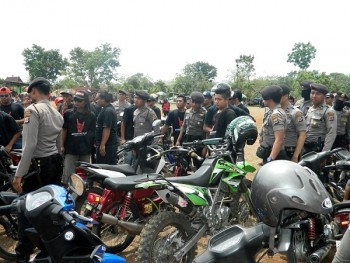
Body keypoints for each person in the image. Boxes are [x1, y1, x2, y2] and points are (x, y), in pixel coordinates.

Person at [12, 77, 64, 263]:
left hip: (38, 168)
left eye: (30, 92)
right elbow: (58, 145)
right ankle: (49, 250)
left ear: (34, 91)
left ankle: (23, 255)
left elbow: (29, 146)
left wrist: (19, 175)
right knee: (48, 210)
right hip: (54, 164)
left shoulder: (32, 110)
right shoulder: (57, 113)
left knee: (27, 212)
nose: (29, 96)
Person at [61, 91, 96, 184]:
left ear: (85, 102)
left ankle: (83, 195)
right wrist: (62, 145)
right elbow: (64, 130)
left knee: (86, 175)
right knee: (68, 175)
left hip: (85, 150)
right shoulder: (68, 114)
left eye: (79, 101)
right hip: (71, 149)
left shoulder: (91, 115)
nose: (76, 102)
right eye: (75, 100)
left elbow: (93, 132)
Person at [257, 85, 288, 164]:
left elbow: (279, 139)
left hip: (275, 156)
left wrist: (270, 159)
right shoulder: (270, 112)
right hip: (269, 152)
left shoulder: (276, 115)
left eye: (264, 98)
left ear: (269, 99)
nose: (262, 100)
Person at [304, 83, 337, 153]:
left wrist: (324, 153)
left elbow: (331, 133)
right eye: (312, 93)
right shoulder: (310, 109)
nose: (314, 96)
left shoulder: (329, 111)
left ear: (324, 96)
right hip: (305, 147)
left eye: (318, 94)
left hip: (318, 149)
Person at [176, 92, 206, 168]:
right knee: (183, 161)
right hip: (187, 139)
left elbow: (206, 131)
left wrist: (205, 147)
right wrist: (178, 140)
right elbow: (183, 127)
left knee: (198, 162)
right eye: (194, 102)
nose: (195, 105)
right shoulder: (187, 111)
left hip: (198, 140)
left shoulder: (205, 113)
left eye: (198, 103)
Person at [279, 84, 306, 162]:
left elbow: (302, 135)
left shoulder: (296, 112)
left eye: (278, 95)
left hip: (288, 151)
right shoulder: (274, 111)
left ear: (286, 96)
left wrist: (295, 156)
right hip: (275, 149)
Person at [95, 90, 119, 165]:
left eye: (97, 99)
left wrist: (102, 145)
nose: (96, 101)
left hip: (108, 145)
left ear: (103, 99)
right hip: (107, 144)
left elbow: (107, 129)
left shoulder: (108, 111)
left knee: (105, 167)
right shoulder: (106, 109)